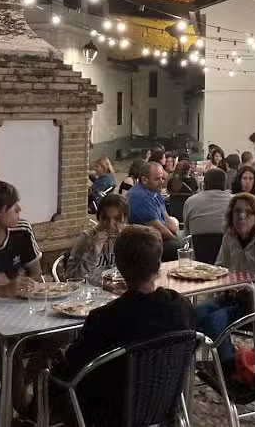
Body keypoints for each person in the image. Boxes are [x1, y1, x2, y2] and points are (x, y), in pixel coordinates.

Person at [51, 225, 194, 424]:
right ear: (159, 264)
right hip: (163, 405)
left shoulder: (105, 318)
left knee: (52, 379)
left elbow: (72, 368)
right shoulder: (181, 307)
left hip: (109, 414)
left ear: (118, 265)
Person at [194, 193, 255, 373]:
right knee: (194, 313)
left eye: (248, 213)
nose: (241, 216)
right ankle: (185, 366)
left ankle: (231, 369)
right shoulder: (230, 237)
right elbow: (220, 267)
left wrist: (249, 287)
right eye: (237, 211)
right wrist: (220, 279)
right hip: (235, 298)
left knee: (214, 321)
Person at [66, 193, 128, 285]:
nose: (110, 224)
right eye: (105, 218)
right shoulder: (86, 239)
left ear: (126, 220)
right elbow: (71, 279)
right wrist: (92, 254)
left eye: (117, 219)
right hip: (92, 294)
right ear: (98, 218)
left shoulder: (130, 239)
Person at [127, 162, 184, 260]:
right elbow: (157, 227)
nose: (162, 182)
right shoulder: (140, 197)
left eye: (162, 178)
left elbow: (167, 219)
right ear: (144, 180)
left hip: (156, 238)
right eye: (157, 179)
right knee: (179, 248)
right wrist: (178, 241)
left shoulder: (155, 192)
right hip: (143, 242)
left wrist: (179, 235)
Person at [182, 168, 232, 236]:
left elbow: (187, 232)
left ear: (204, 184)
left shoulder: (190, 202)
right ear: (225, 184)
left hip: (197, 245)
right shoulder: (235, 201)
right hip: (229, 245)